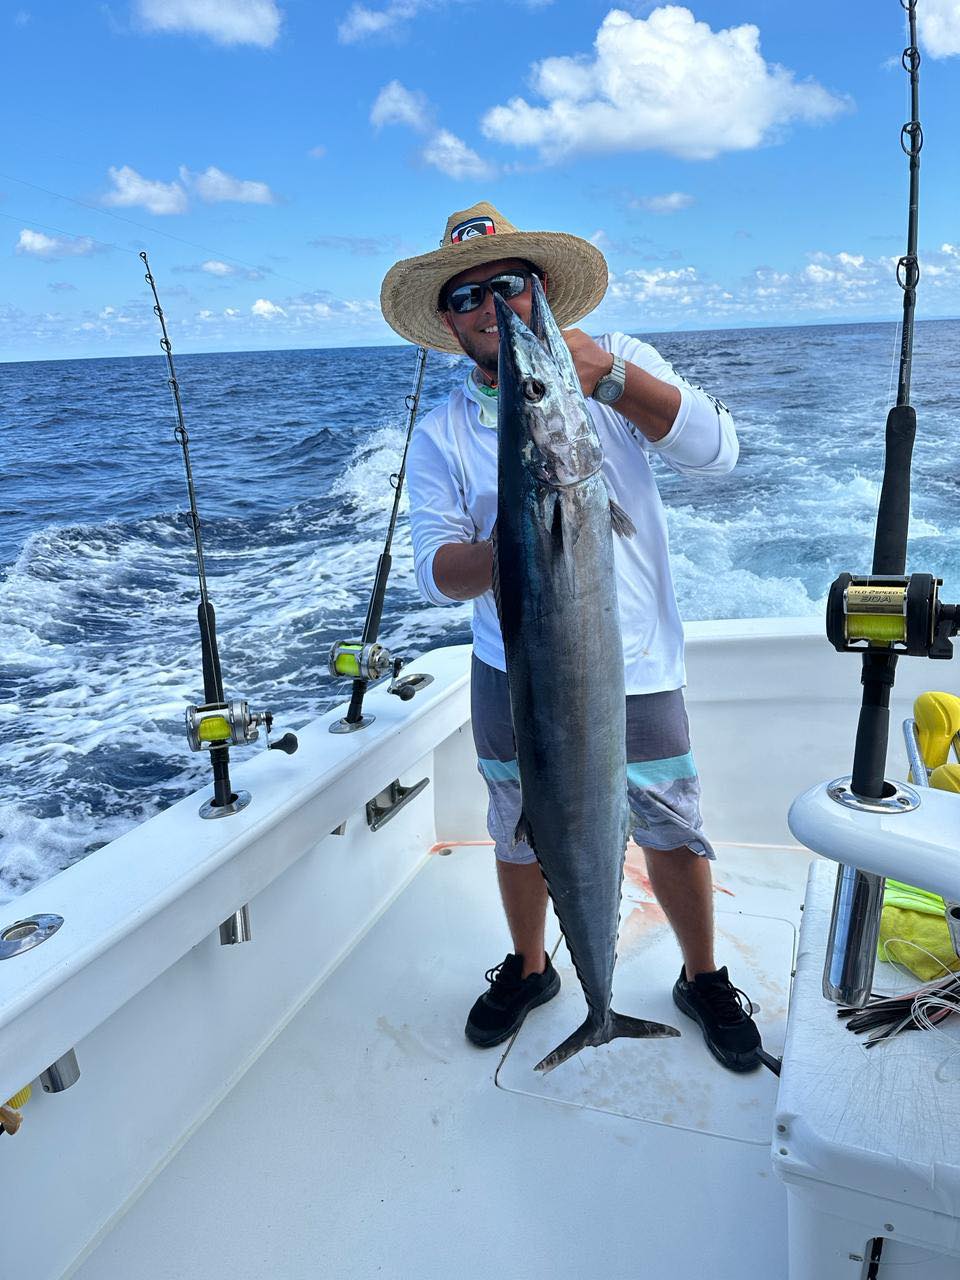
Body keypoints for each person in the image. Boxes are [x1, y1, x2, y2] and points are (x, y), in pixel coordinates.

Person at [380, 202, 762, 1073]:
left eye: (506, 285)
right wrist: (516, 538)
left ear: (540, 291)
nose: (487, 305)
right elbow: (435, 571)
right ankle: (536, 967)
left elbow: (718, 452)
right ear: (447, 319)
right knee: (519, 826)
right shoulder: (441, 434)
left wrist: (611, 379)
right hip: (509, 671)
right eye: (465, 294)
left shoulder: (609, 367)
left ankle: (702, 977)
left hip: (638, 666)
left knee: (671, 822)